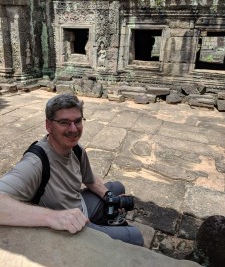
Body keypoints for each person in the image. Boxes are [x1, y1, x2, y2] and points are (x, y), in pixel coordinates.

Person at [0, 93, 144, 246]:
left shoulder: (76, 149)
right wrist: (54, 218)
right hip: (69, 225)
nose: (73, 129)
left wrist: (109, 196)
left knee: (117, 187)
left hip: (79, 205)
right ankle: (102, 230)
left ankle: (104, 222)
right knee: (136, 237)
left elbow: (90, 180)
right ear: (48, 125)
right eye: (64, 122)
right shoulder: (36, 162)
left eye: (77, 121)